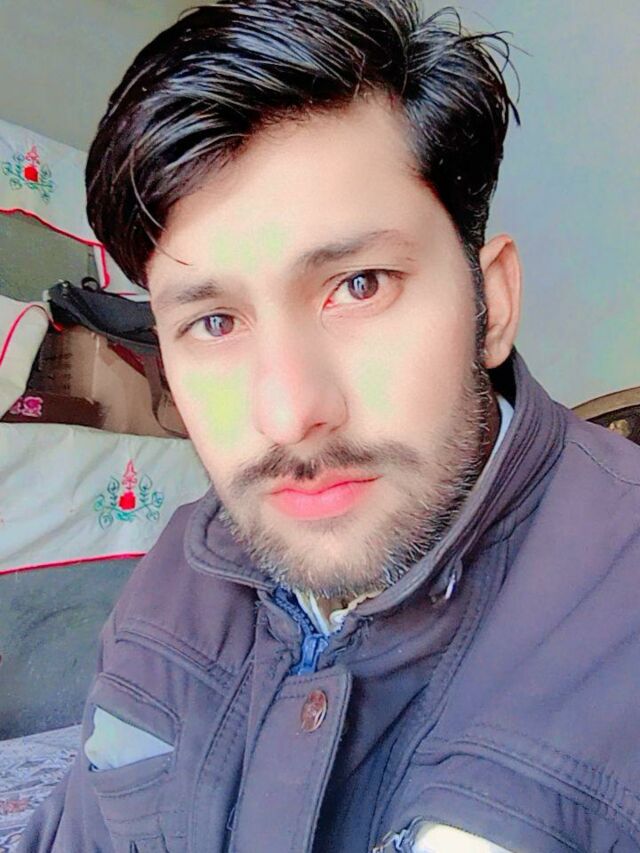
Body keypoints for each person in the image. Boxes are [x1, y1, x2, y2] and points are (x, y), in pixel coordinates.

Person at [19, 1, 640, 851]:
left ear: (491, 303)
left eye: (359, 285)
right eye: (214, 322)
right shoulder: (173, 576)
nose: (288, 414)